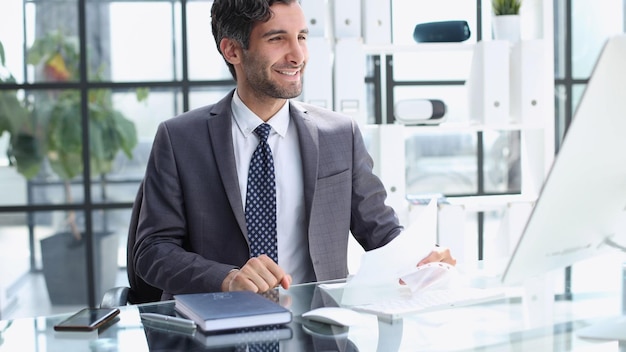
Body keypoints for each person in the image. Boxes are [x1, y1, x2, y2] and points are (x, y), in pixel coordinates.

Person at [133, 0, 456, 301]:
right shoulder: (180, 139)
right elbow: (152, 250)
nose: (298, 55)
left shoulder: (339, 135)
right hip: (215, 334)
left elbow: (383, 233)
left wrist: (424, 258)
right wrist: (226, 278)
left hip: (317, 334)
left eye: (302, 37)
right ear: (232, 50)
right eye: (277, 39)